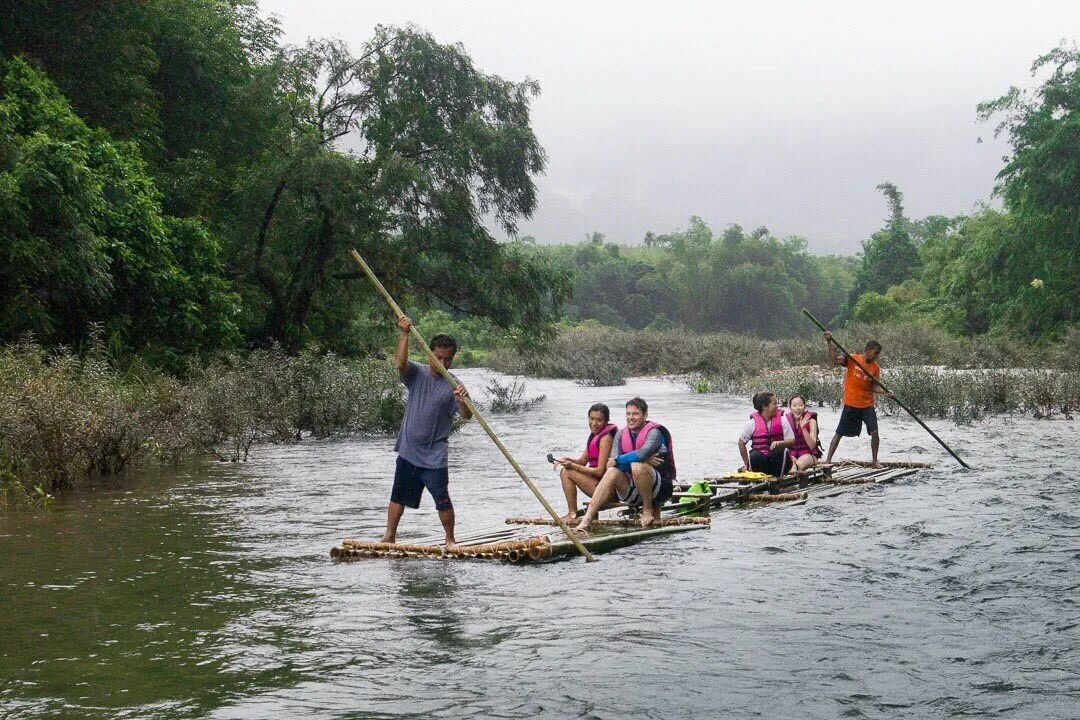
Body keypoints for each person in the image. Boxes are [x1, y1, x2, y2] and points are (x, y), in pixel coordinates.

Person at [381, 316, 472, 550]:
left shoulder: (454, 385)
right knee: (398, 495)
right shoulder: (417, 373)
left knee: (442, 498)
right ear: (429, 354)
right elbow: (400, 364)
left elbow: (467, 415)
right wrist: (404, 334)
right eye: (438, 357)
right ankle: (389, 536)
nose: (442, 362)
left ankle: (450, 540)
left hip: (435, 455)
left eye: (447, 359)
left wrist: (464, 400)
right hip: (410, 449)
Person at [574, 397, 675, 532]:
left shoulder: (654, 433)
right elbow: (612, 464)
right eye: (628, 414)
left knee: (637, 466)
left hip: (661, 489)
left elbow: (641, 454)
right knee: (612, 471)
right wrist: (637, 459)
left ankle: (647, 509)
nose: (631, 418)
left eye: (635, 414)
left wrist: (632, 459)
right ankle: (587, 518)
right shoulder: (621, 434)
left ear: (645, 415)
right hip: (634, 489)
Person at [822, 333, 894, 467]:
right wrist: (829, 342)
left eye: (878, 354)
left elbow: (874, 387)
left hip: (867, 405)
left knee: (875, 432)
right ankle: (828, 460)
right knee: (839, 432)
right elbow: (834, 360)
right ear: (867, 350)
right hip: (851, 404)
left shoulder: (875, 368)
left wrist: (886, 392)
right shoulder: (852, 359)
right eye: (875, 353)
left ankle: (874, 461)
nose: (876, 356)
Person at [554, 403, 617, 521]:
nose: (594, 423)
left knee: (566, 472)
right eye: (591, 419)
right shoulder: (595, 436)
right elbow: (582, 461)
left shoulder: (605, 439)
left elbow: (599, 471)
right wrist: (566, 459)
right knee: (565, 470)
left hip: (607, 491)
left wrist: (572, 466)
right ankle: (572, 513)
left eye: (599, 420)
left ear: (606, 421)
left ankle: (572, 514)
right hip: (598, 485)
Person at [737, 391, 795, 478]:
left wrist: (780, 443)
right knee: (754, 455)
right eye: (774, 404)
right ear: (765, 407)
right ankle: (758, 480)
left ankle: (778, 479)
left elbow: (792, 441)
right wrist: (746, 464)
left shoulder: (782, 420)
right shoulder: (752, 423)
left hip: (779, 462)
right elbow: (741, 443)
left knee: (779, 450)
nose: (777, 406)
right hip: (761, 461)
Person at [785, 394, 822, 474]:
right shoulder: (785, 421)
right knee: (785, 462)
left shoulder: (812, 421)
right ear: (790, 408)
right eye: (794, 405)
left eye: (800, 405)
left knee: (799, 464)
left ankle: (791, 480)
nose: (798, 408)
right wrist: (791, 457)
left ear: (804, 407)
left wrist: (804, 428)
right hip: (792, 453)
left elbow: (812, 446)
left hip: (809, 454)